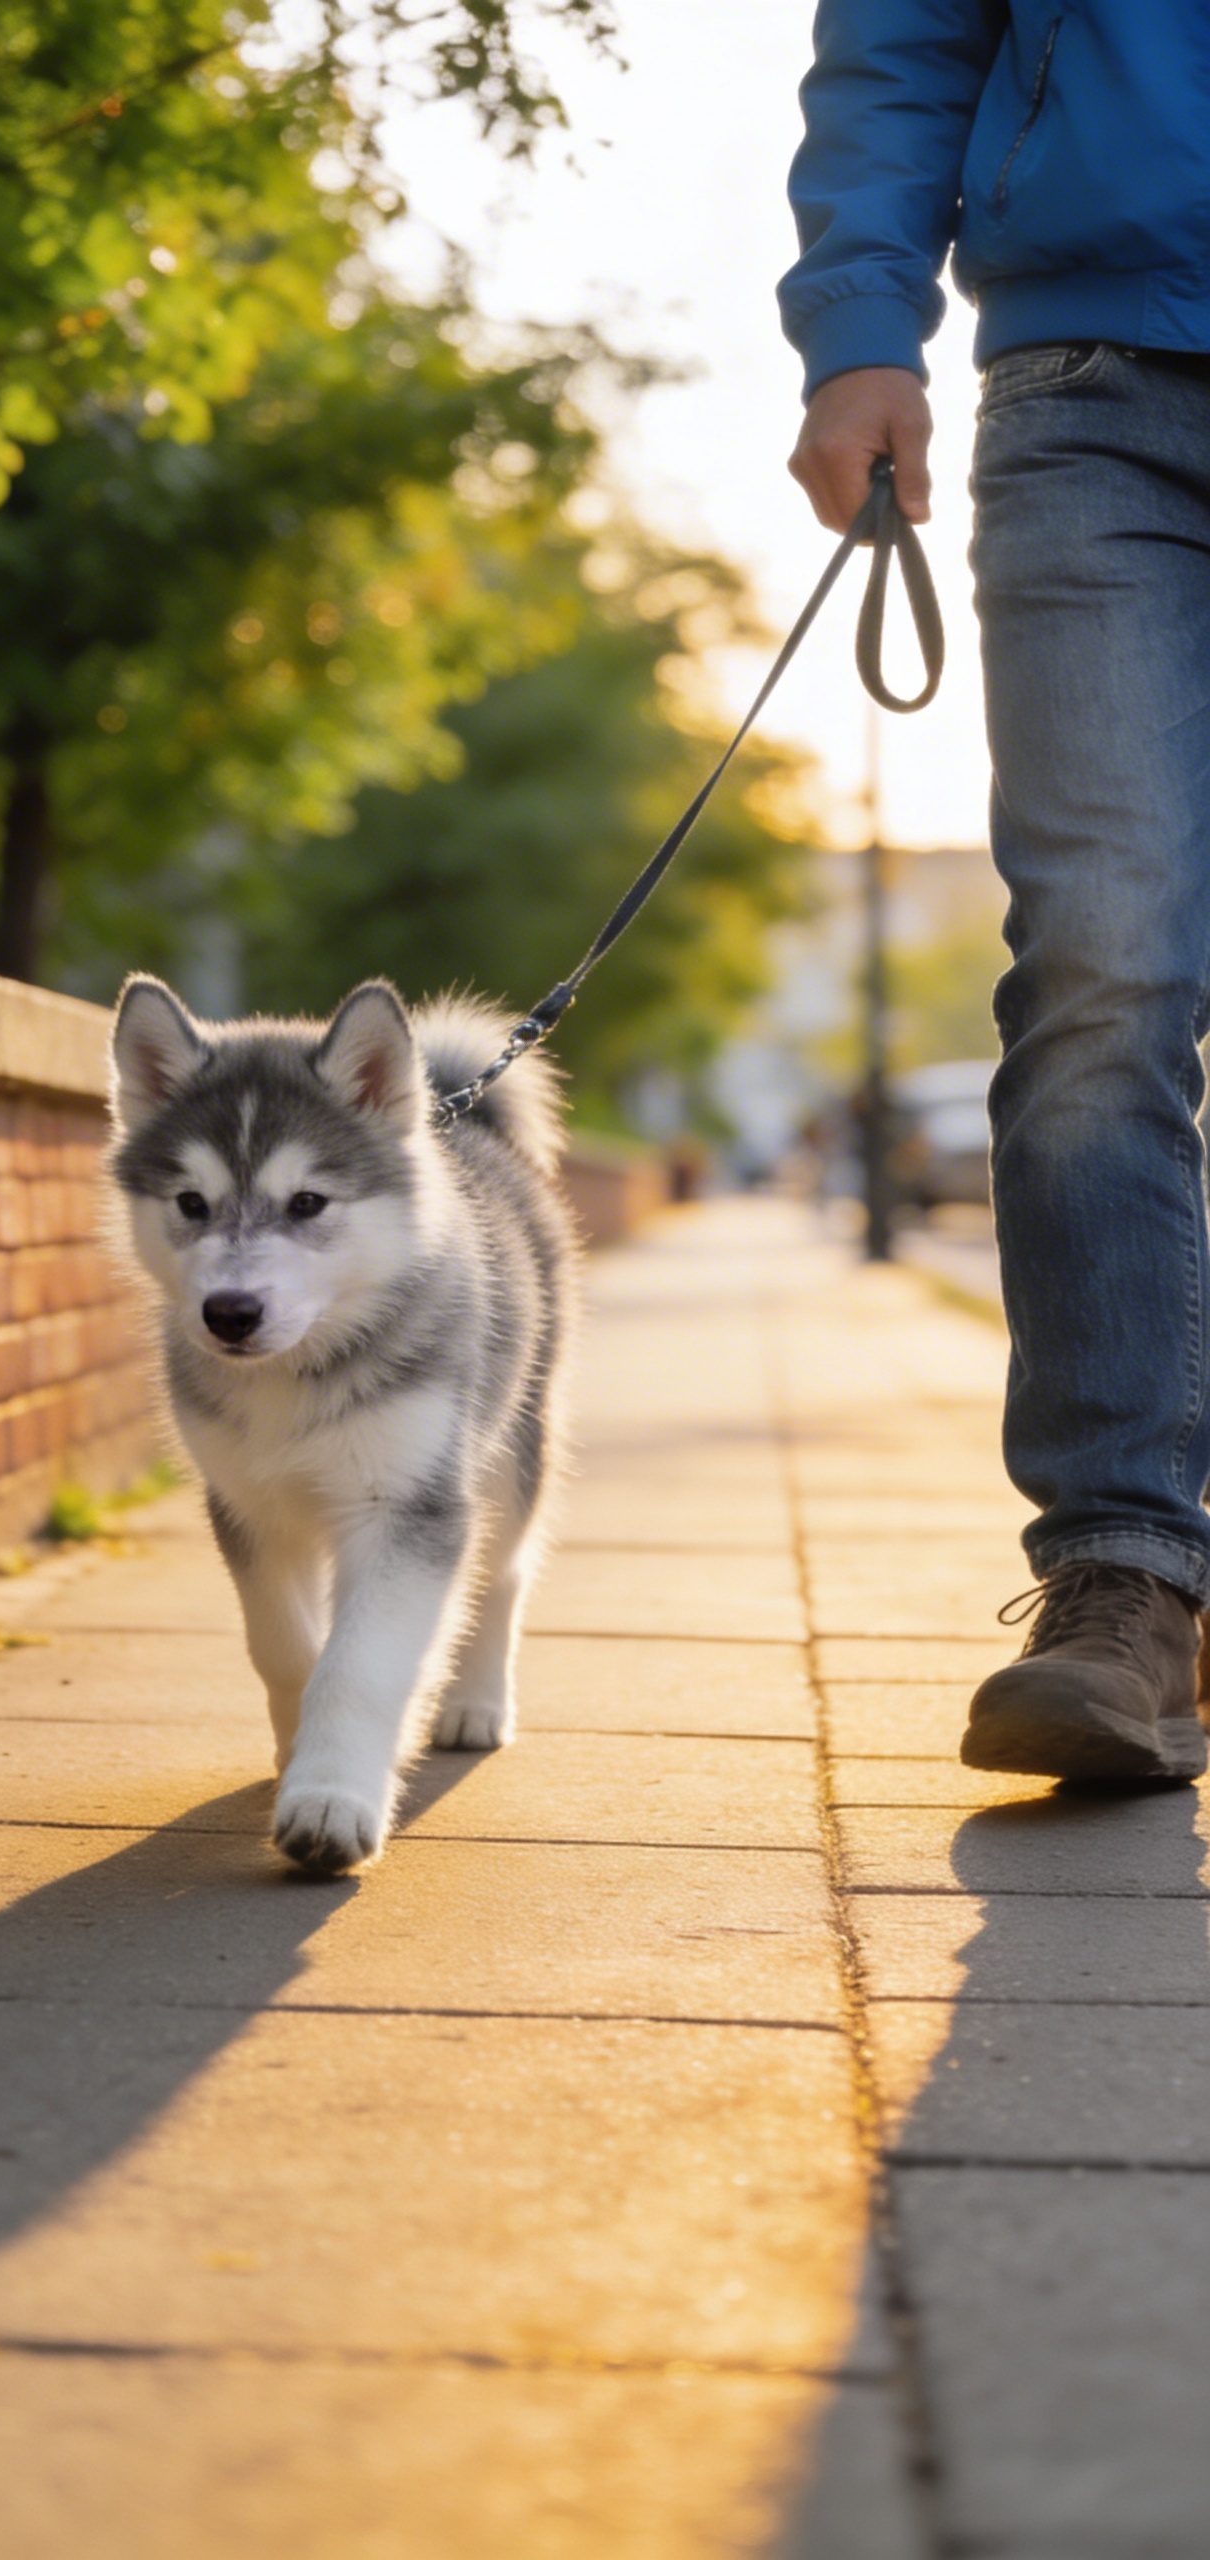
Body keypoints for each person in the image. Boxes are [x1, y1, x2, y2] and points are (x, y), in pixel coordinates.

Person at [779, 4, 1210, 1785]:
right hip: (1091, 386)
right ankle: (1127, 1573)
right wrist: (859, 329)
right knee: (1107, 965)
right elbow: (898, 39)